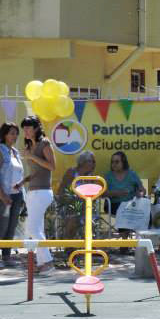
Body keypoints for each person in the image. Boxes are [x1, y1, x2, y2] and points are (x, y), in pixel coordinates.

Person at [20, 117, 55, 273]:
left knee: (32, 228)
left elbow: (52, 166)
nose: (25, 131)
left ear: (36, 128)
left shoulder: (44, 143)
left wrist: (32, 156)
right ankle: (42, 264)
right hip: (32, 191)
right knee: (37, 229)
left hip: (43, 192)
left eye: (28, 128)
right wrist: (23, 181)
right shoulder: (30, 146)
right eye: (24, 128)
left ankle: (48, 262)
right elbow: (37, 171)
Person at [0, 123, 25, 268]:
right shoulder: (0, 150)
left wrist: (22, 194)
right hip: (3, 196)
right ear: (4, 135)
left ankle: (6, 257)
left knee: (11, 227)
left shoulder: (15, 152)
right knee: (1, 226)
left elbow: (19, 174)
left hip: (17, 195)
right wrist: (2, 195)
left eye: (16, 133)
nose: (15, 136)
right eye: (11, 133)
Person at [56, 150, 97, 239]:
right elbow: (62, 191)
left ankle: (87, 245)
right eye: (92, 161)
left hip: (84, 206)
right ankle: (68, 245)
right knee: (72, 220)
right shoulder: (71, 172)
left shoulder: (91, 176)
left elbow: (93, 195)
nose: (94, 164)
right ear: (83, 162)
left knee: (91, 222)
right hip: (68, 205)